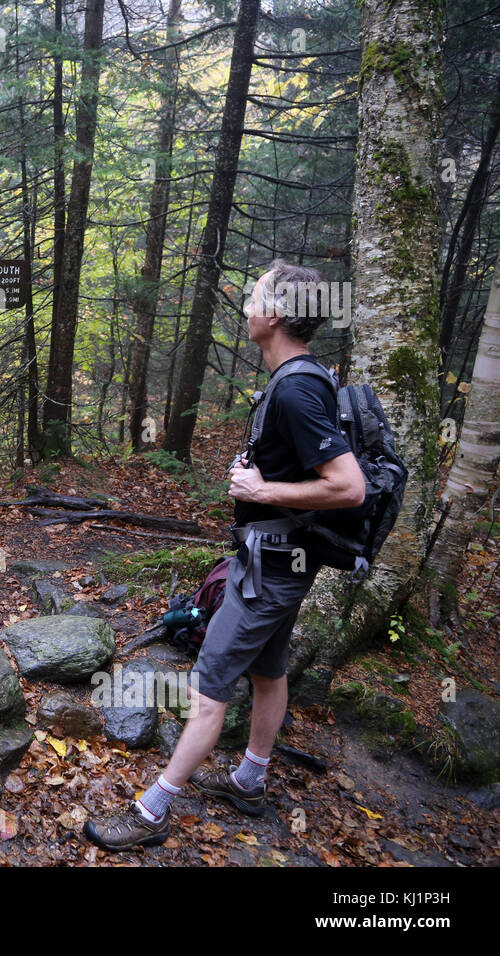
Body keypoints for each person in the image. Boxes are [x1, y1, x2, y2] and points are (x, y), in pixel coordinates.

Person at [82, 260, 366, 851]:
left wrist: (263, 490)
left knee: (208, 687)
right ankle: (248, 779)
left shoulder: (296, 389)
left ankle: (153, 811)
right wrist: (262, 480)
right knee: (269, 670)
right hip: (279, 563)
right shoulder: (299, 376)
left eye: (255, 295)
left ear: (277, 315)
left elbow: (349, 485)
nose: (246, 303)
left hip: (270, 569)